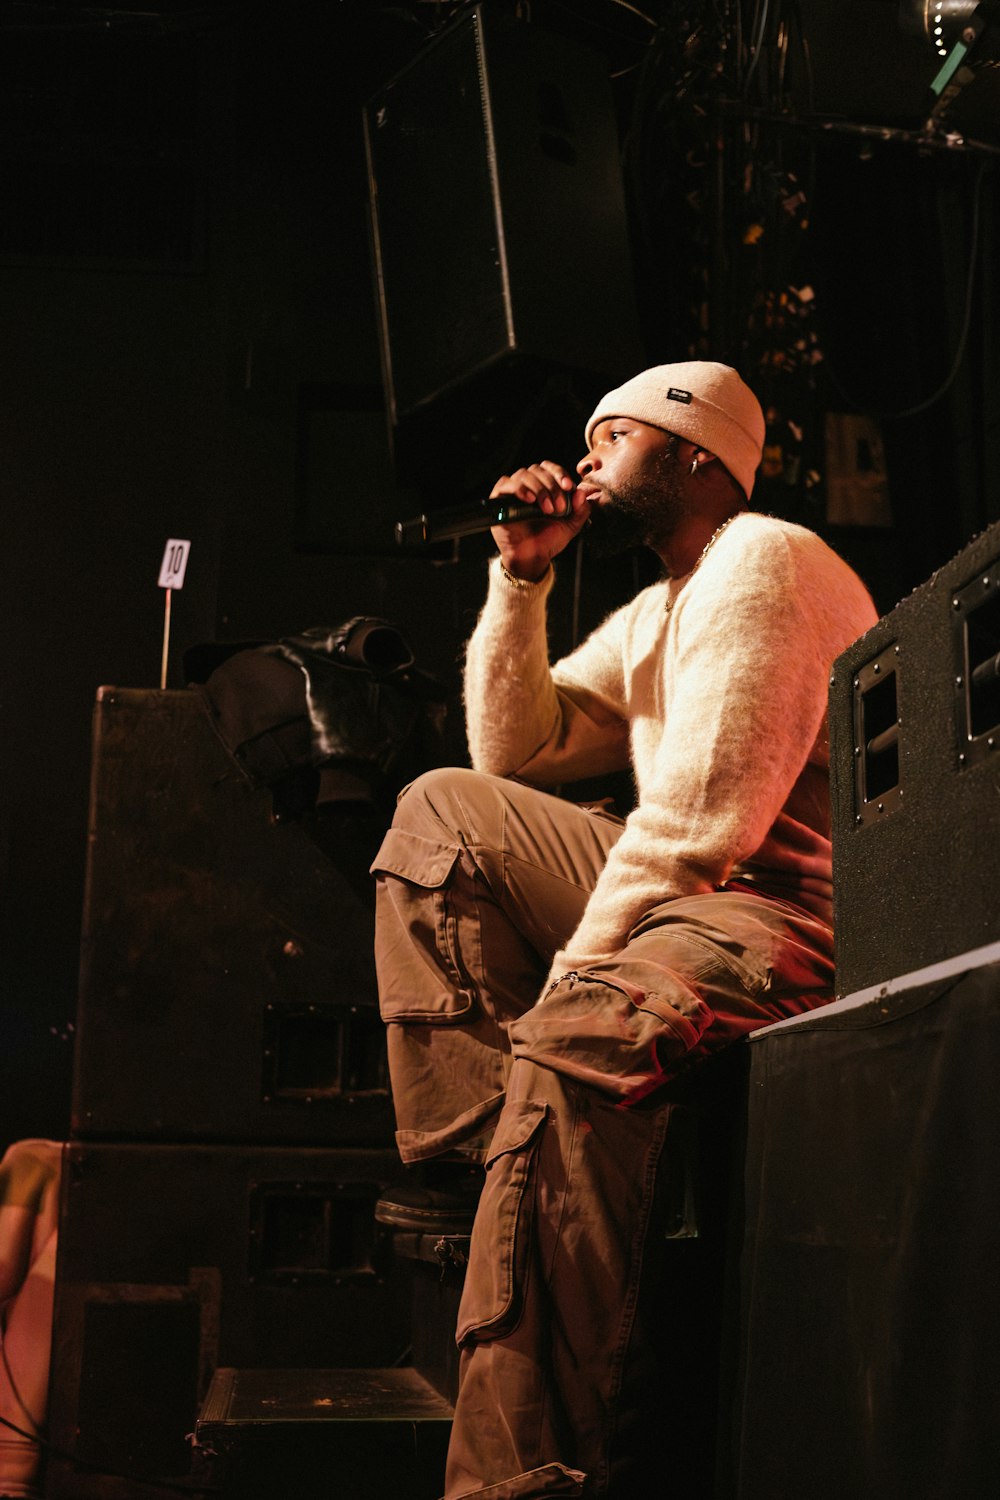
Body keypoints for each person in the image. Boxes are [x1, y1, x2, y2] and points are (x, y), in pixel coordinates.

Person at [371, 362, 878, 1499]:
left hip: (776, 912)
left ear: (698, 455)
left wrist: (568, 997)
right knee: (440, 811)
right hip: (695, 893)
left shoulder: (764, 559)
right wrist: (522, 578)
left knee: (582, 1035)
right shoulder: (657, 607)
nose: (586, 456)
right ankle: (484, 1150)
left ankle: (515, 1482)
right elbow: (514, 755)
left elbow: (702, 823)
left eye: (616, 435)